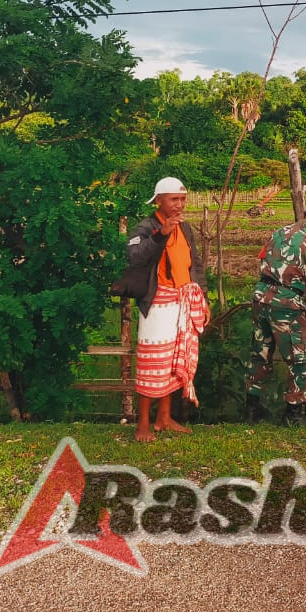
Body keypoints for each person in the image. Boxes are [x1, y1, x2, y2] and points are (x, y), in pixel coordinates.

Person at [118, 176, 209, 442]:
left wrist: (202, 298)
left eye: (182, 199)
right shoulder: (145, 227)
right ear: (159, 200)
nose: (180, 204)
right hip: (157, 302)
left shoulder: (186, 229)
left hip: (183, 300)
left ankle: (164, 418)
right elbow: (135, 256)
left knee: (172, 362)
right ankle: (143, 424)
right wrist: (161, 234)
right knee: (152, 362)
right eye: (174, 199)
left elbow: (196, 265)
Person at [246, 200, 306, 426]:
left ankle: (251, 410)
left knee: (261, 354)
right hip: (286, 304)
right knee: (301, 357)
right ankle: (294, 415)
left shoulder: (278, 233)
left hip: (260, 297)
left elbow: (264, 259)